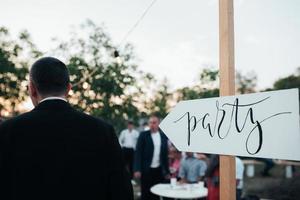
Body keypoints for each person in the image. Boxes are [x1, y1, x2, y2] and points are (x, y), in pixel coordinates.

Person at [0, 57, 133, 200]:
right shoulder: (103, 131)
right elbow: (121, 191)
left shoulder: (8, 131)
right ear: (69, 89)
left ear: (32, 89)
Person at [134, 114, 170, 200]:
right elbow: (138, 153)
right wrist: (137, 169)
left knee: (157, 192)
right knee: (146, 192)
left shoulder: (163, 136)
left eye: (154, 123)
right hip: (146, 169)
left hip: (158, 169)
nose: (152, 125)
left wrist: (167, 171)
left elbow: (165, 155)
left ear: (158, 124)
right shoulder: (143, 135)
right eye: (150, 123)